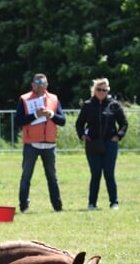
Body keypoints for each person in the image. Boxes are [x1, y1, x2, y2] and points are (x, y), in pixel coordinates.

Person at [14, 73, 65, 213]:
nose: (40, 86)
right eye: (37, 83)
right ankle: (23, 206)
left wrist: (51, 115)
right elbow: (18, 121)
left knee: (52, 176)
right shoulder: (24, 99)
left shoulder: (54, 99)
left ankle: (57, 206)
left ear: (47, 85)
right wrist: (35, 115)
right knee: (26, 176)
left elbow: (62, 120)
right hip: (31, 144)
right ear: (33, 85)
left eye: (43, 83)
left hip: (50, 144)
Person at [75, 78, 128, 210]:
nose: (102, 92)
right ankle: (92, 203)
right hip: (92, 143)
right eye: (99, 89)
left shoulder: (114, 105)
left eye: (104, 90)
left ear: (108, 91)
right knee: (95, 174)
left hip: (110, 143)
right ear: (94, 90)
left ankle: (114, 202)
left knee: (109, 173)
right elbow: (79, 123)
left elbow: (124, 123)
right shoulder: (87, 105)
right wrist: (82, 135)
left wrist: (118, 135)